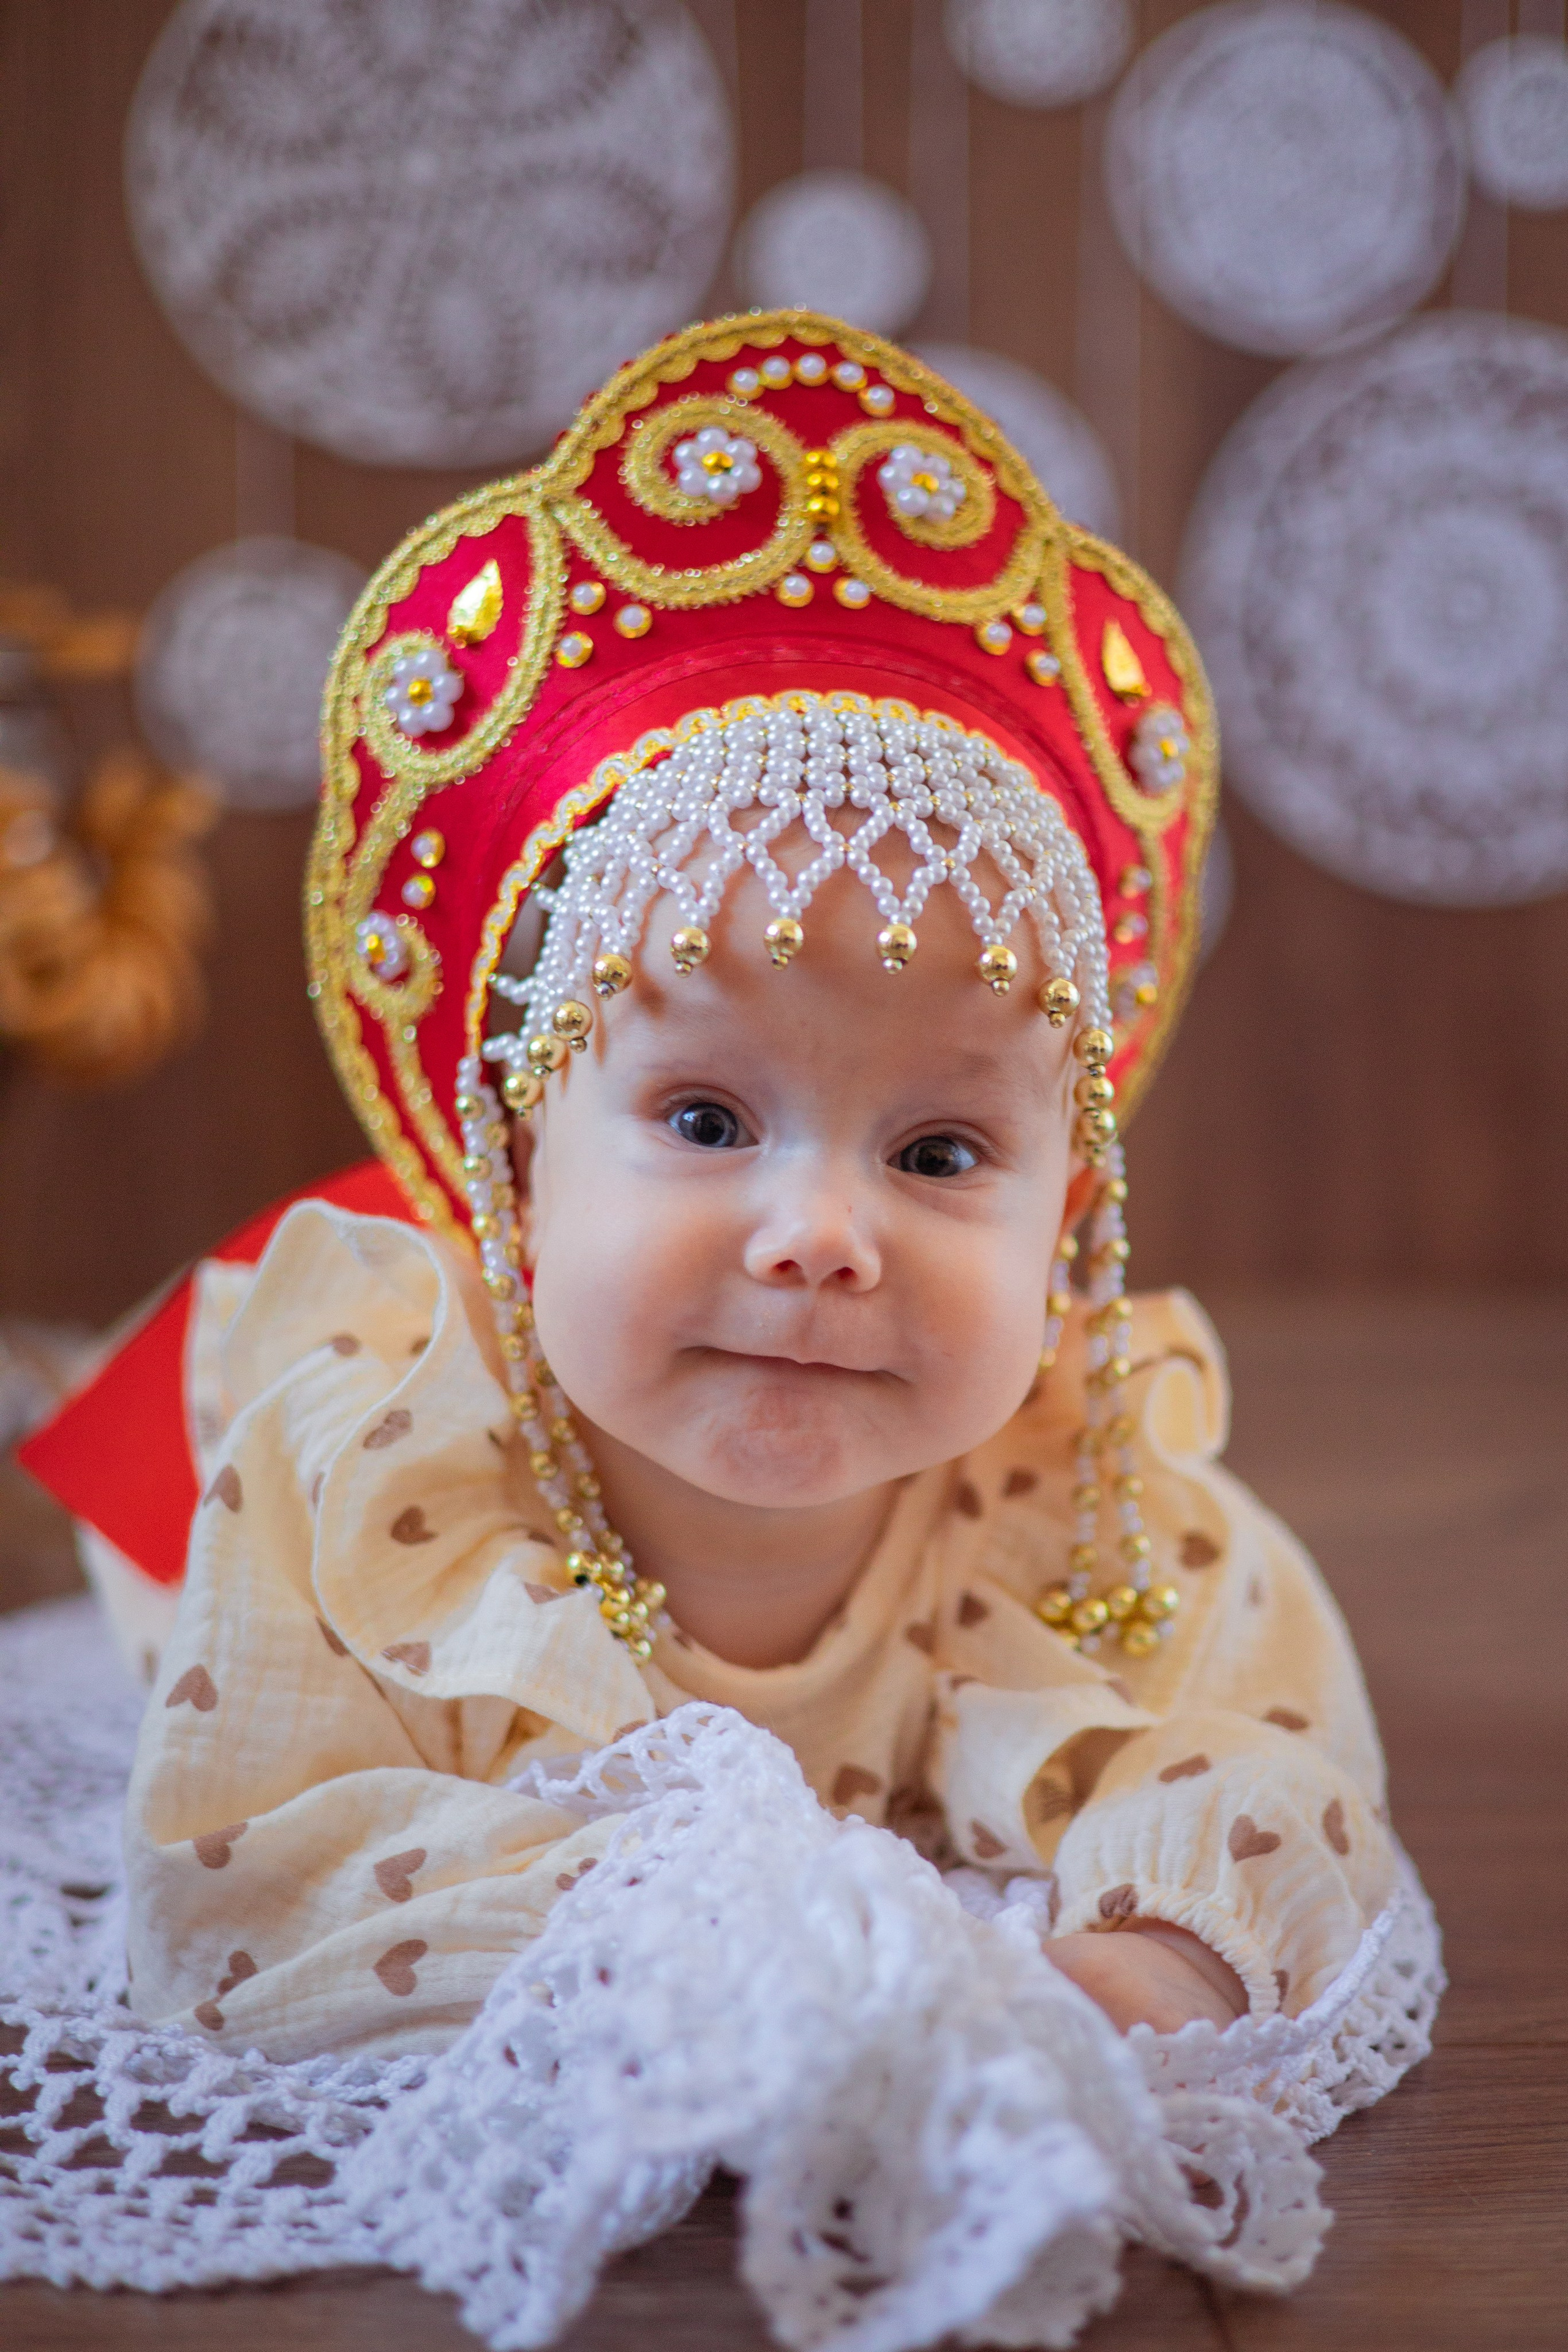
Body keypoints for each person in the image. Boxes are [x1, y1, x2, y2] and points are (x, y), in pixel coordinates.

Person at [112, 314, 1404, 2068]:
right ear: (510, 1151)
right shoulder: (370, 1483)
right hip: (201, 1443)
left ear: (1073, 1214)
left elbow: (1281, 1759)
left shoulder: (1082, 1495)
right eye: (710, 1119)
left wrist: (1168, 1949)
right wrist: (703, 1948)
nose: (818, 1236)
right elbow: (253, 1878)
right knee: (103, 1508)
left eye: (940, 1156)